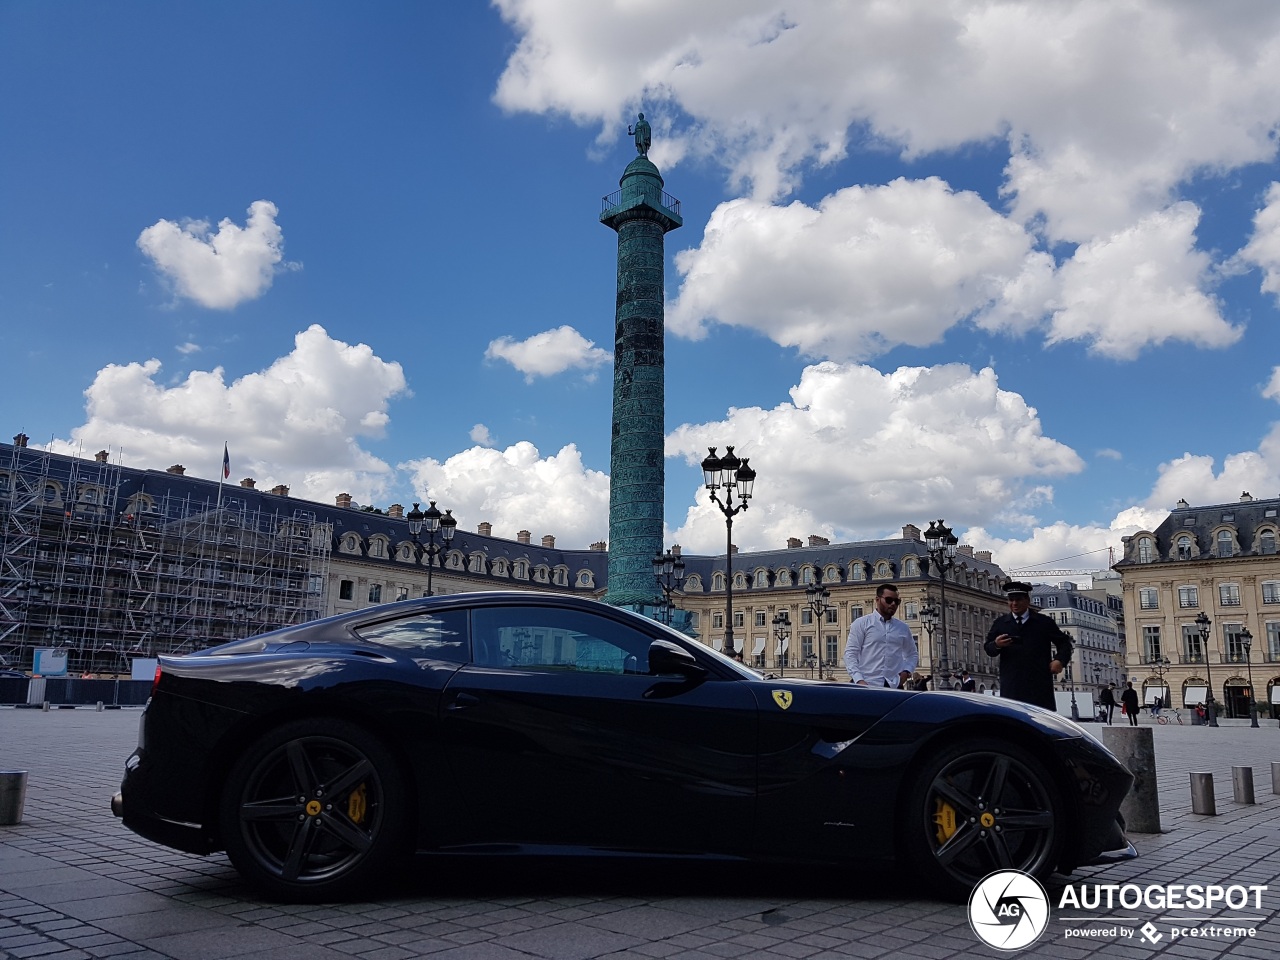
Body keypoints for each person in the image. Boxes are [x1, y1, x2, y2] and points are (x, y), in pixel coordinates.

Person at [983, 581, 1073, 710]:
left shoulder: (1043, 622)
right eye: (1011, 600)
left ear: (1027, 600)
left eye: (1018, 600)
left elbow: (1064, 642)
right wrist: (996, 645)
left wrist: (1059, 660)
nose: (1014, 604)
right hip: (1012, 685)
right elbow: (988, 648)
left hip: (1038, 684)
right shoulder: (1001, 623)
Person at [844, 583, 917, 688]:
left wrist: (906, 671)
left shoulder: (903, 628)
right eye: (888, 600)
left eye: (897, 601)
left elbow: (912, 654)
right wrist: (859, 680)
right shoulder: (861, 623)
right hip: (866, 683)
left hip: (894, 685)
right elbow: (850, 654)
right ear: (877, 600)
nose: (893, 604)